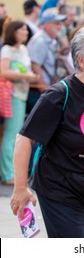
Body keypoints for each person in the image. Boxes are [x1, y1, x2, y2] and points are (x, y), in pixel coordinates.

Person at [10, 24, 84, 238]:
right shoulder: (58, 94)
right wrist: (20, 188)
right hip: (60, 188)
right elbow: (24, 138)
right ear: (81, 60)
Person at [0, 20, 38, 185]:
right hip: (12, 94)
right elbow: (4, 71)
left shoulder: (23, 49)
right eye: (22, 29)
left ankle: (11, 172)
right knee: (11, 134)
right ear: (13, 31)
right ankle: (8, 173)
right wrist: (27, 77)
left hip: (21, 94)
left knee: (15, 134)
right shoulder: (7, 50)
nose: (26, 32)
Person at [26, 8, 67, 113]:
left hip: (46, 90)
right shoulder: (39, 41)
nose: (60, 27)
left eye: (60, 24)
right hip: (39, 92)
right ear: (47, 24)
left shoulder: (50, 40)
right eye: (57, 24)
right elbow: (35, 66)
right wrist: (46, 91)